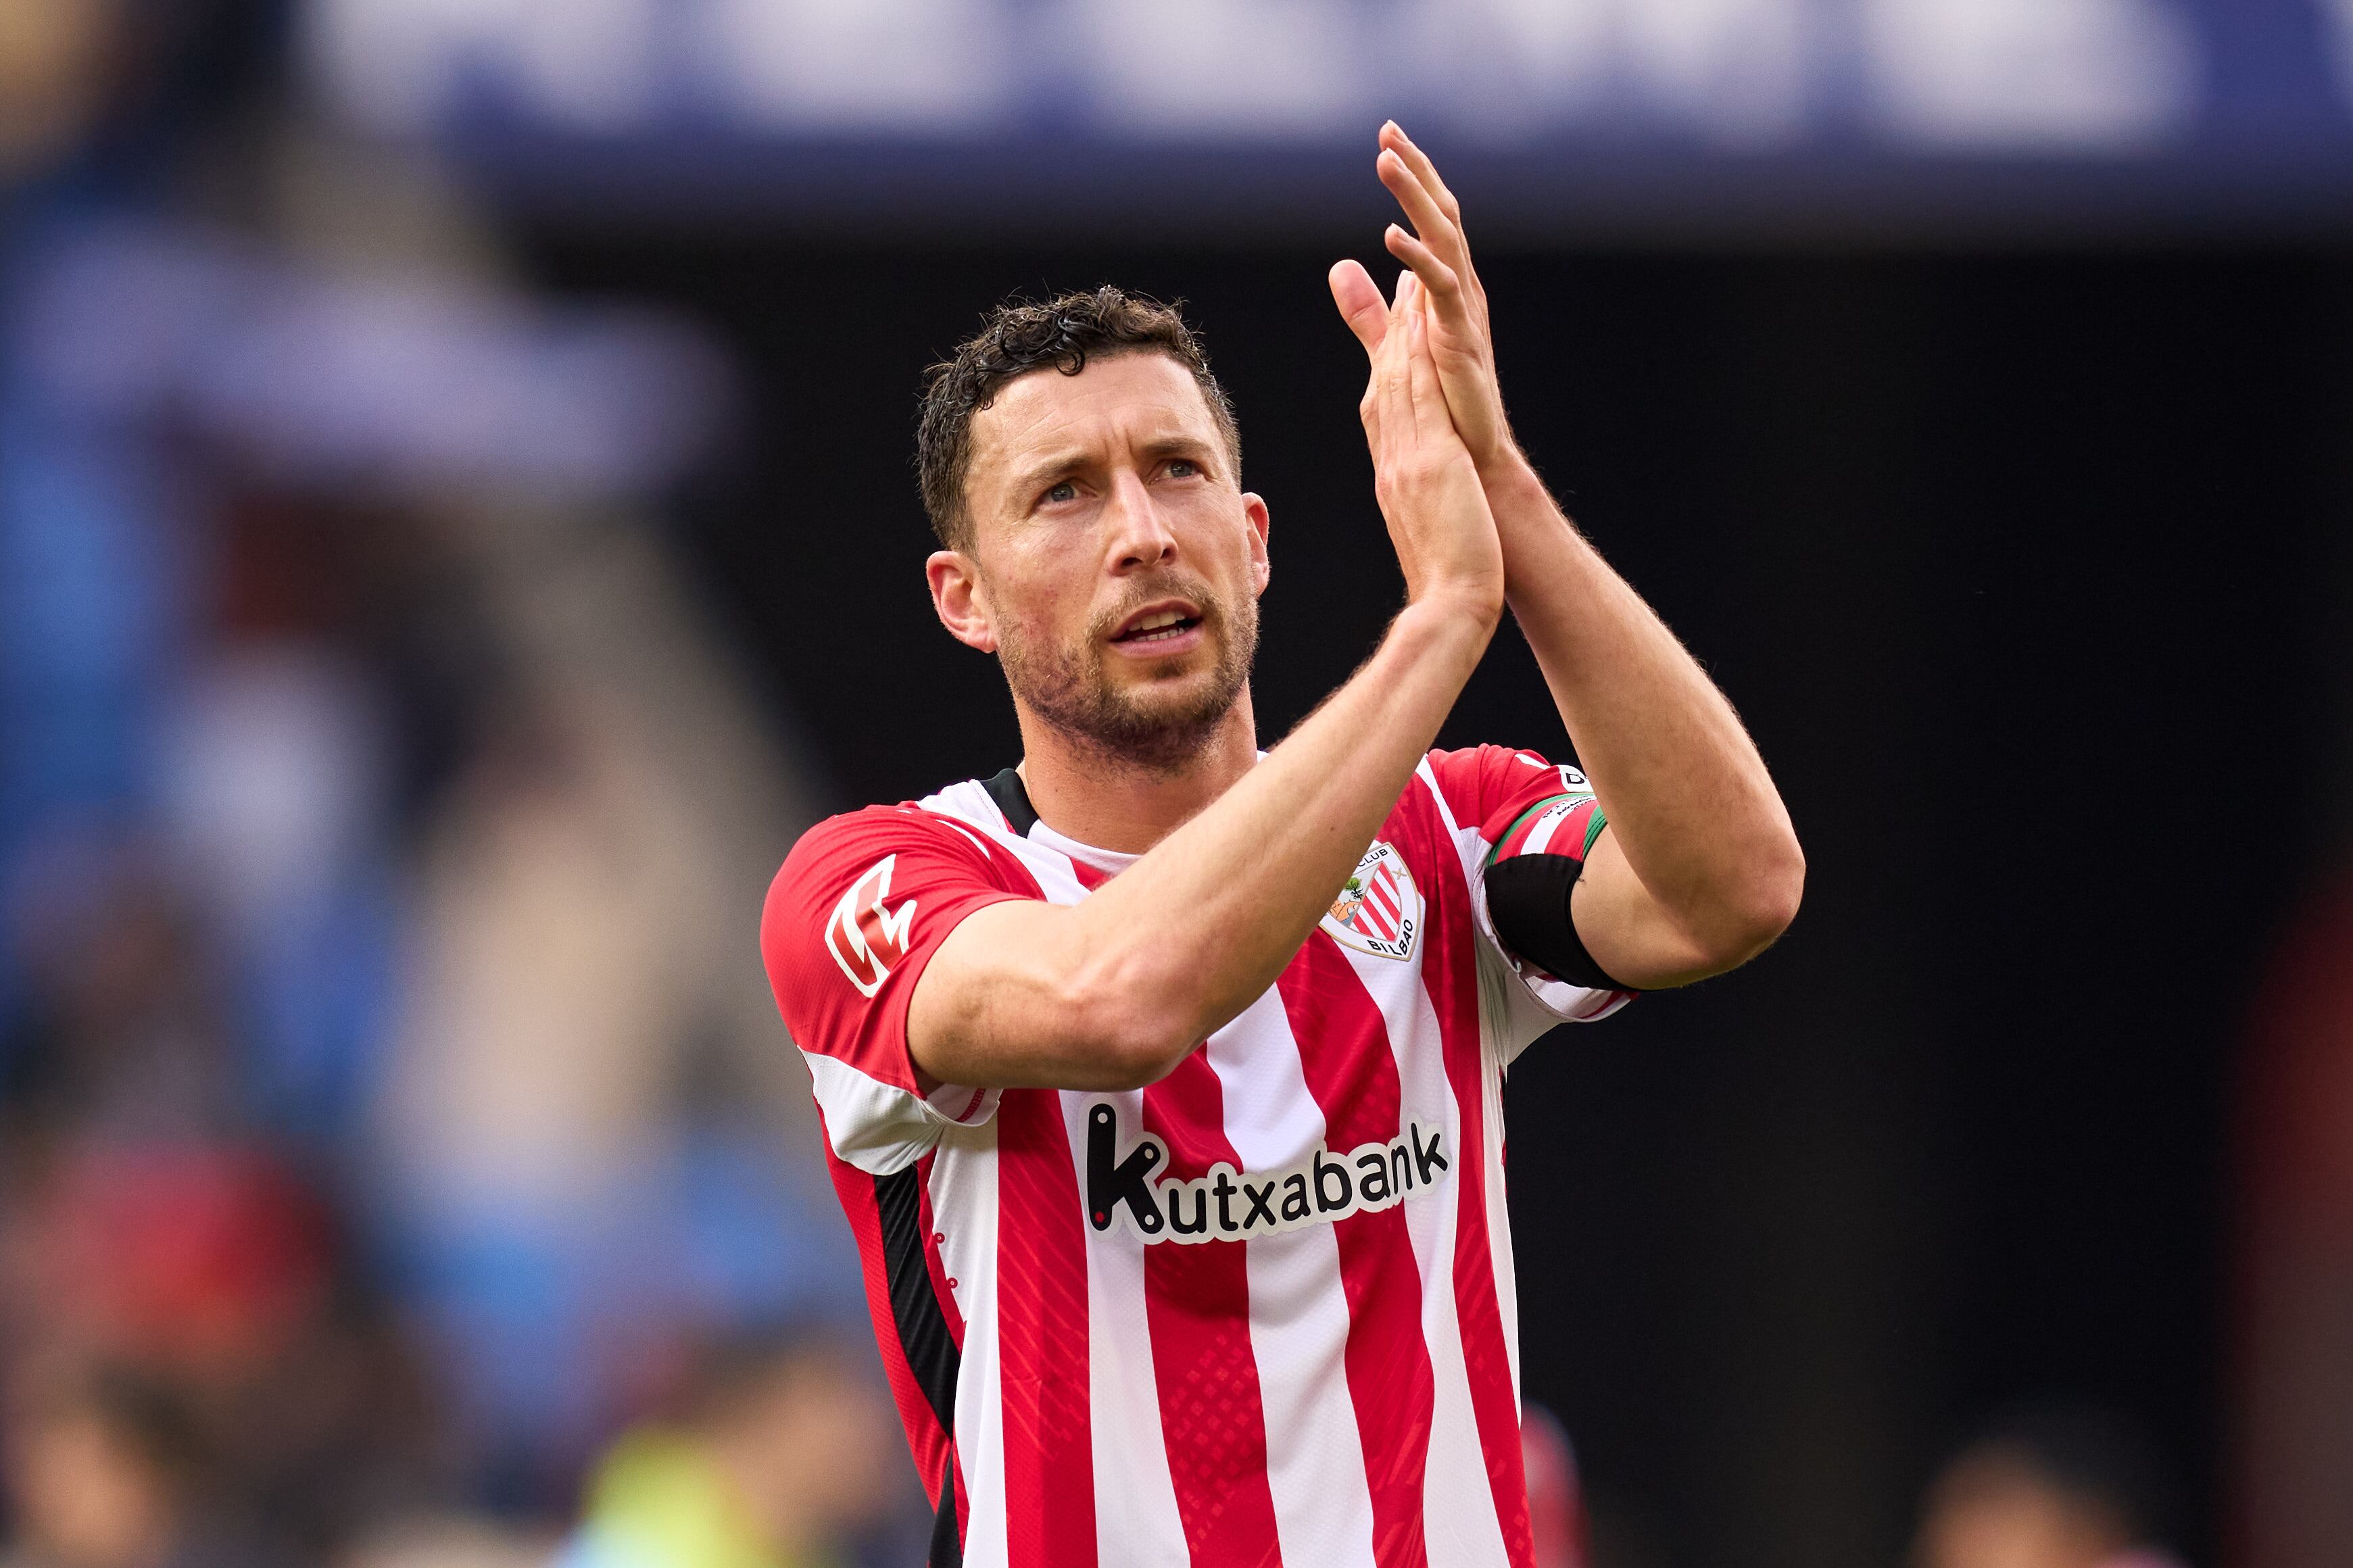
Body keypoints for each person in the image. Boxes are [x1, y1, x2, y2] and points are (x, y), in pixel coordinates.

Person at [759, 124, 1803, 1568]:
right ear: (964, 597)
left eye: (1176, 470)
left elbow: (1734, 888)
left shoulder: (1446, 830)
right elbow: (1116, 998)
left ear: (1252, 535)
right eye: (1063, 492)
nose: (1141, 531)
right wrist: (1441, 621)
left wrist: (1493, 479)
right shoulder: (877, 882)